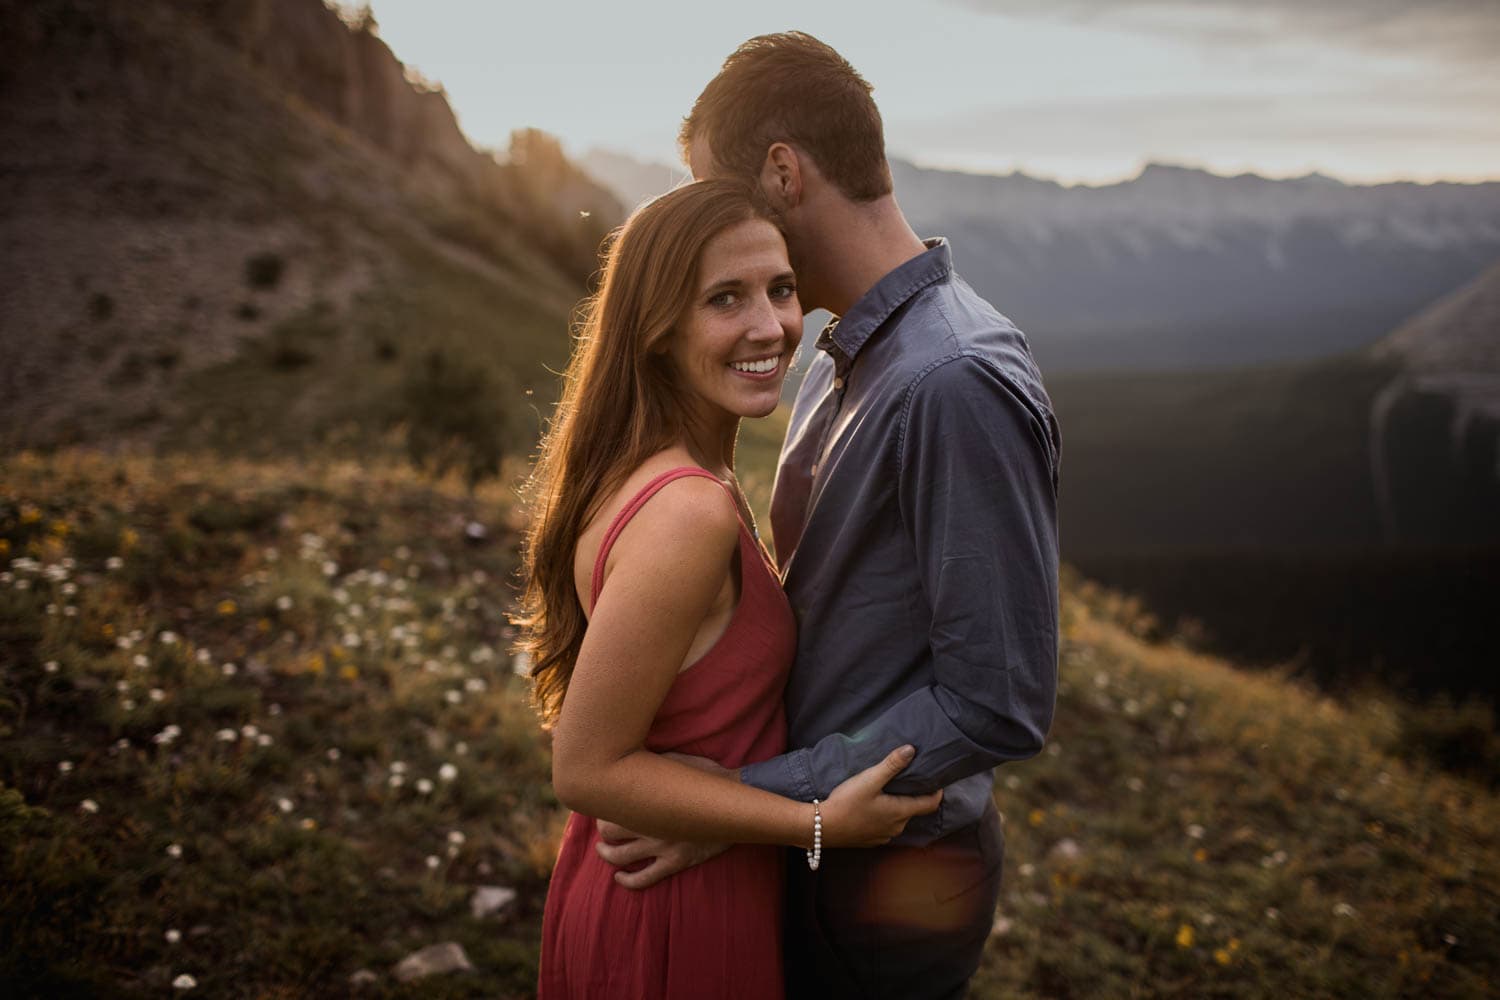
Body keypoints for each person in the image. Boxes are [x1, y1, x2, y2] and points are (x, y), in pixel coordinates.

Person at [592, 33, 1062, 1000]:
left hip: (887, 878)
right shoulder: (839, 355)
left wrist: (736, 803)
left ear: (782, 174)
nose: (714, 220)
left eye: (716, 189)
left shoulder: (952, 379)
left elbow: (997, 701)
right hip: (810, 853)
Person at [516, 179, 943, 1000]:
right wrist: (815, 823)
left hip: (671, 878)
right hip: (672, 911)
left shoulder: (669, 471)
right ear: (658, 330)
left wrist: (718, 804)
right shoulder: (687, 513)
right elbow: (587, 767)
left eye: (781, 289)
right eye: (725, 298)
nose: (771, 326)